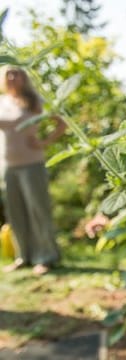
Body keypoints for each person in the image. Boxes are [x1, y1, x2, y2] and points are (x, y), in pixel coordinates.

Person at [0, 65, 66, 275]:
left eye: (16, 73)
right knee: (15, 212)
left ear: (24, 78)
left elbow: (61, 123)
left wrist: (44, 142)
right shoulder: (2, 102)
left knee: (38, 210)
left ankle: (46, 256)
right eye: (8, 74)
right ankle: (24, 256)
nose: (12, 77)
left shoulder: (34, 101)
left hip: (32, 164)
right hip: (8, 166)